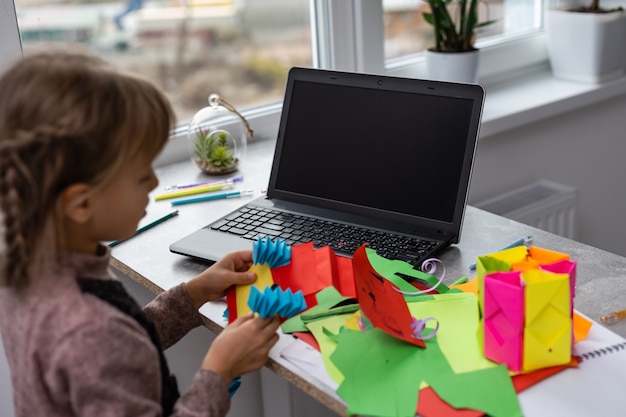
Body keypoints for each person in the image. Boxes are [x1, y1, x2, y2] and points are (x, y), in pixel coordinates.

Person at [0, 48, 281, 417]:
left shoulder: (33, 266)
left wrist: (191, 294)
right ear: (81, 204)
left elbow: (113, 346)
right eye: (140, 173)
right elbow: (104, 343)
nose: (154, 180)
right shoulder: (87, 329)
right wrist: (218, 371)